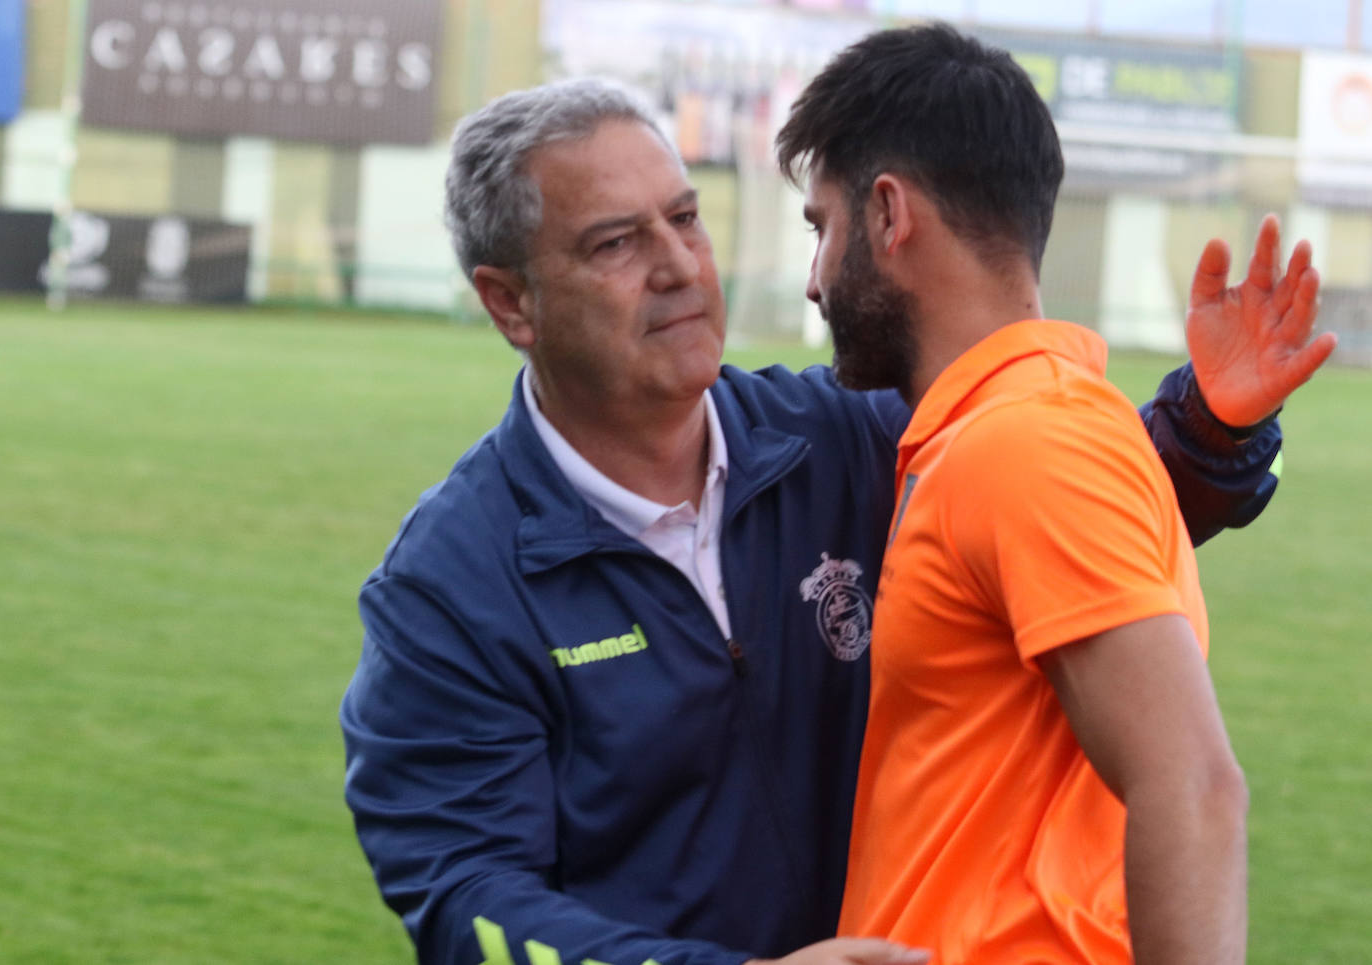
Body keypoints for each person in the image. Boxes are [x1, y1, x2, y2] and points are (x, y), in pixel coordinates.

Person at [339, 75, 1324, 965]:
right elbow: (468, 899)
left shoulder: (844, 440)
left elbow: (1062, 533)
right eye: (615, 242)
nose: (679, 264)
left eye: (685, 218)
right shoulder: (451, 585)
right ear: (512, 303)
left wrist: (1204, 431)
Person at [774, 24, 1335, 965]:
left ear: (887, 215)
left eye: (823, 227)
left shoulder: (1027, 440)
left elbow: (1194, 785)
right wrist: (1211, 436)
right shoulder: (1003, 428)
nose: (815, 279)